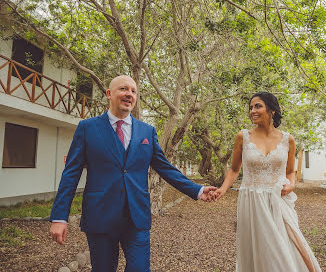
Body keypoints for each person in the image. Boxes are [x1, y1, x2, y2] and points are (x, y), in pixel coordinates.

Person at [49, 75, 216, 272]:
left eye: (133, 91)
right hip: (100, 216)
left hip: (136, 217)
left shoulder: (147, 131)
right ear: (109, 94)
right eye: (123, 89)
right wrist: (60, 217)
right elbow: (71, 173)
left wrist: (197, 190)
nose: (129, 94)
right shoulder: (87, 128)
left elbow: (165, 168)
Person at [212, 92, 322, 272]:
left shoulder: (288, 139)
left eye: (258, 106)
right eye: (251, 107)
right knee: (259, 250)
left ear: (271, 110)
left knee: (285, 246)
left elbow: (289, 172)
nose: (252, 111)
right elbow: (234, 169)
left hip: (277, 200)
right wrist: (223, 189)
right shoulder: (242, 136)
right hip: (251, 201)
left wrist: (291, 184)